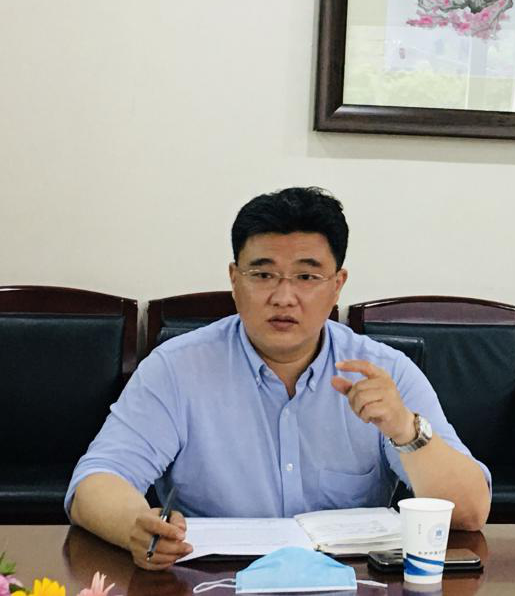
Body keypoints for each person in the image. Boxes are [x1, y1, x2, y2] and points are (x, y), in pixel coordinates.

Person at [67, 187, 491, 569]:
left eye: (307, 277)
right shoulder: (176, 369)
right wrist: (135, 525)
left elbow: (470, 512)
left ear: (337, 285)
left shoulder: (386, 372)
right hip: (212, 579)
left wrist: (406, 430)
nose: (284, 297)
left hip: (351, 580)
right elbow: (95, 484)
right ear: (234, 280)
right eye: (263, 274)